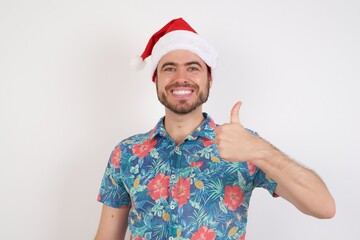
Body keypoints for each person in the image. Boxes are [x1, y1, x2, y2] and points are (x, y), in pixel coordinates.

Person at [95, 18, 335, 240]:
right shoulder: (126, 153)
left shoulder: (245, 147)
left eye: (193, 68)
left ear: (209, 79)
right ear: (155, 79)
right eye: (169, 68)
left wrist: (260, 151)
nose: (181, 77)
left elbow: (324, 207)